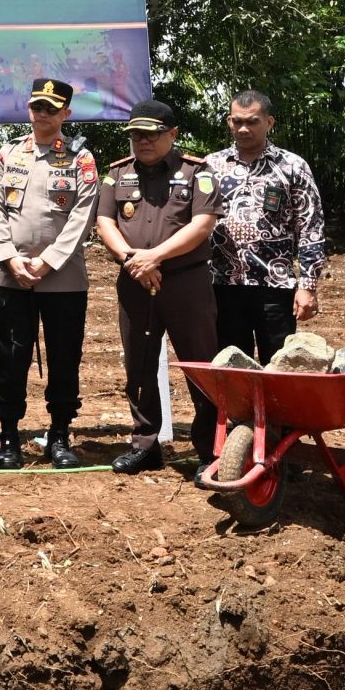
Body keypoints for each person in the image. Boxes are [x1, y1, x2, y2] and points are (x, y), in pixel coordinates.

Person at [98, 98, 222, 474]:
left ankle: (210, 451)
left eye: (151, 134)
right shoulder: (117, 174)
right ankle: (145, 445)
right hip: (134, 281)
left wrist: (155, 258)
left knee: (200, 366)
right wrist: (133, 261)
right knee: (139, 365)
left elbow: (202, 224)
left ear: (173, 134)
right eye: (136, 135)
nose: (143, 141)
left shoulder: (197, 172)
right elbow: (105, 223)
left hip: (185, 284)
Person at [0, 76, 98, 469]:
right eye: (37, 106)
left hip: (63, 280)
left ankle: (60, 435)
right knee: (11, 359)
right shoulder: (7, 155)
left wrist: (48, 261)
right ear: (28, 110)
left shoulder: (81, 159)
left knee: (64, 359)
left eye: (52, 108)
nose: (43, 114)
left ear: (66, 113)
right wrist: (9, 258)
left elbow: (82, 216)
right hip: (13, 277)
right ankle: (9, 437)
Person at [204, 88, 325, 366]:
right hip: (223, 285)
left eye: (252, 122)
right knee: (232, 368)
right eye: (237, 121)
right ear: (229, 121)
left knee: (279, 366)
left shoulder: (292, 166)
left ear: (269, 122)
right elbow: (195, 222)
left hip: (275, 285)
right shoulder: (211, 166)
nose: (243, 129)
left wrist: (307, 286)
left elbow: (311, 227)